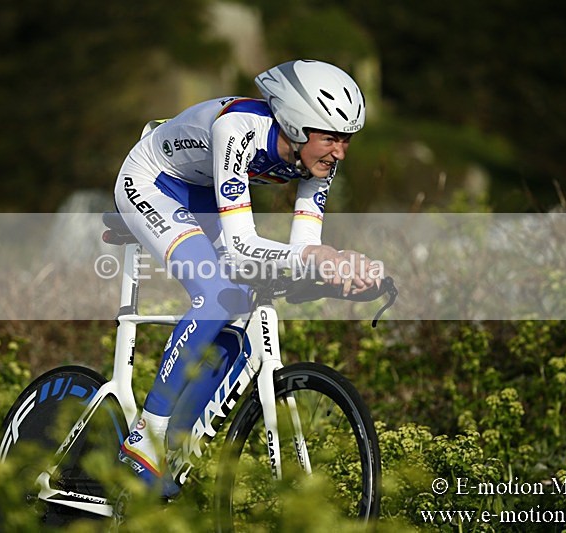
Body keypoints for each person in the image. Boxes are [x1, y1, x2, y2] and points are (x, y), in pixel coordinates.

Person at [113, 59, 383, 497]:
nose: (340, 152)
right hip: (153, 182)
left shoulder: (318, 162)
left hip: (201, 190)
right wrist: (319, 260)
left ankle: (176, 446)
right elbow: (243, 248)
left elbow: (303, 247)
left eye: (347, 140)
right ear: (296, 125)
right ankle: (147, 435)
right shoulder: (238, 130)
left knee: (241, 299)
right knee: (218, 295)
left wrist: (343, 274)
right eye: (331, 138)